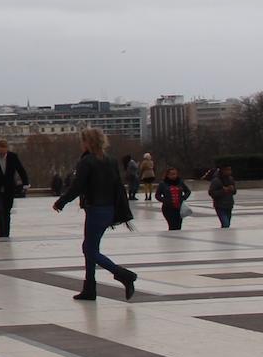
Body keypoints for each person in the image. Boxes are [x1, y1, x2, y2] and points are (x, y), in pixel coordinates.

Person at [53, 128, 137, 301]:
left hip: (95, 209)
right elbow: (117, 186)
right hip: (108, 209)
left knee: (88, 249)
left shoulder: (87, 161)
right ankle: (89, 288)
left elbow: (78, 186)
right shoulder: (110, 160)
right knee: (92, 248)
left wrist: (62, 201)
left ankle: (122, 274)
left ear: (87, 143)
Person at [0, 139, 30, 239]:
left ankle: (6, 233)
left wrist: (25, 183)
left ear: (7, 149)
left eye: (4, 150)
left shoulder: (13, 157)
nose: (3, 152)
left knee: (7, 211)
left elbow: (20, 169)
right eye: (1, 150)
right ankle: (1, 232)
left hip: (9, 189)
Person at [157, 166, 191, 231]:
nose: (174, 176)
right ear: (167, 175)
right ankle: (171, 240)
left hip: (179, 208)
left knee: (178, 226)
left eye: (175, 174)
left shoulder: (180, 182)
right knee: (172, 225)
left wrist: (183, 198)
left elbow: (188, 191)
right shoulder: (163, 183)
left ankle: (179, 240)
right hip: (168, 208)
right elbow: (157, 195)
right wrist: (165, 200)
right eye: (171, 174)